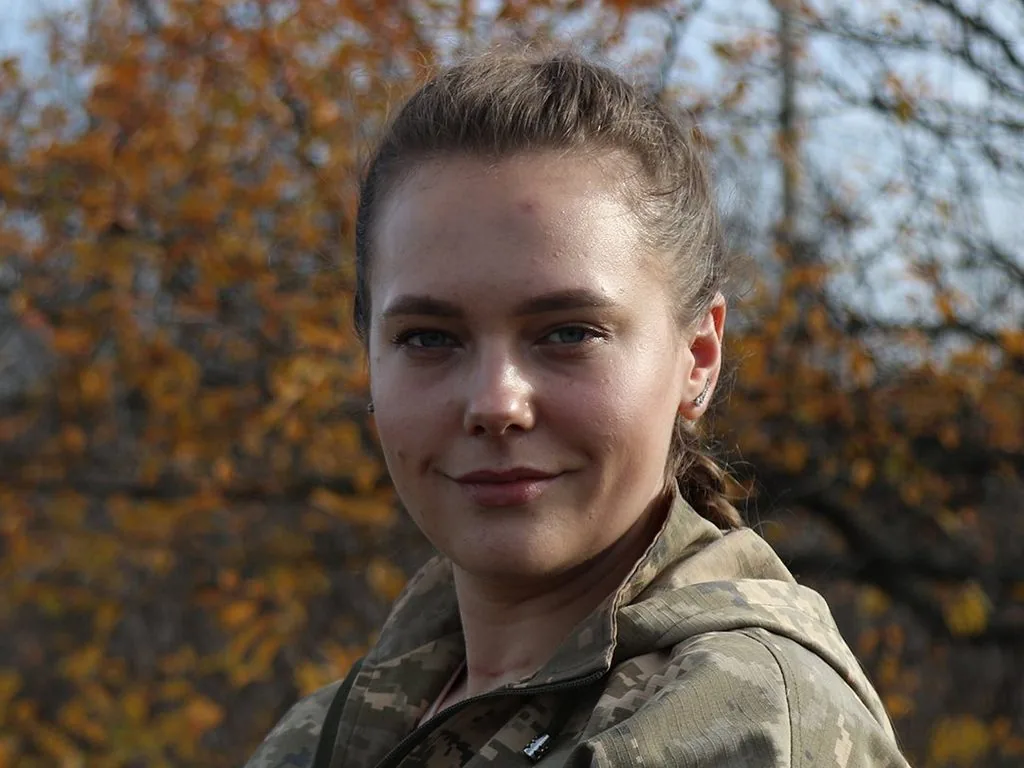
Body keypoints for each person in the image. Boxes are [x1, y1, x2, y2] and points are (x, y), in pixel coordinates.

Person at [244, 47, 911, 767]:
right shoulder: (327, 733)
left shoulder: (744, 723)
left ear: (697, 357)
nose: (496, 404)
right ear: (369, 358)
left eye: (569, 333)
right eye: (429, 338)